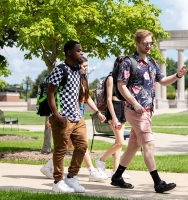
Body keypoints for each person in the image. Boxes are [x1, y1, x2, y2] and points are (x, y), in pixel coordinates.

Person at [112, 29, 188, 193]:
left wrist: (177, 75)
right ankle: (158, 182)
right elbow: (121, 85)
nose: (149, 46)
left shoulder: (152, 62)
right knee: (149, 143)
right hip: (135, 110)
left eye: (151, 43)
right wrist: (134, 102)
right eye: (145, 43)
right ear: (137, 43)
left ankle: (117, 176)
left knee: (133, 144)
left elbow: (163, 81)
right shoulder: (129, 61)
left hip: (147, 110)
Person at [40, 56, 107, 183]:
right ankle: (91, 171)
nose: (86, 69)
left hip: (78, 111)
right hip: (70, 112)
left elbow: (87, 98)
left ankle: (48, 166)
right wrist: (53, 116)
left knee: (73, 144)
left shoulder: (82, 78)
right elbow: (55, 95)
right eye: (84, 66)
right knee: (80, 143)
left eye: (87, 66)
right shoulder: (69, 75)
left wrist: (97, 111)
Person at [47, 40, 88, 193]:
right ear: (69, 52)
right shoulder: (60, 69)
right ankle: (57, 182)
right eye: (79, 50)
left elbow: (75, 93)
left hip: (76, 116)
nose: (81, 53)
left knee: (83, 145)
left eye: (82, 50)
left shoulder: (78, 69)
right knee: (61, 149)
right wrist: (56, 115)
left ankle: (71, 177)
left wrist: (78, 111)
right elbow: (50, 92)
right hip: (62, 117)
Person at [95, 56, 130, 180]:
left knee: (118, 143)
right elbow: (109, 99)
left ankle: (116, 171)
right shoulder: (110, 78)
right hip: (113, 109)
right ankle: (101, 160)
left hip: (122, 108)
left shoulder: (123, 79)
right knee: (120, 142)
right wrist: (114, 117)